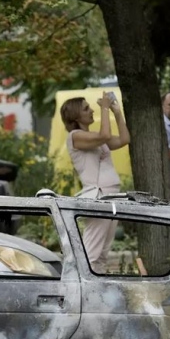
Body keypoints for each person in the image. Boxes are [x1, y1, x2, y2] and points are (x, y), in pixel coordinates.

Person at [62, 93, 131, 273]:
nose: (91, 110)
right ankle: (81, 289)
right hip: (98, 196)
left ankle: (96, 292)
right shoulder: (75, 136)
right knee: (91, 254)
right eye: (86, 108)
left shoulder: (93, 136)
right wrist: (104, 107)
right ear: (75, 116)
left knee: (102, 253)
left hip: (111, 196)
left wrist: (116, 112)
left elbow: (124, 140)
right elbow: (106, 134)